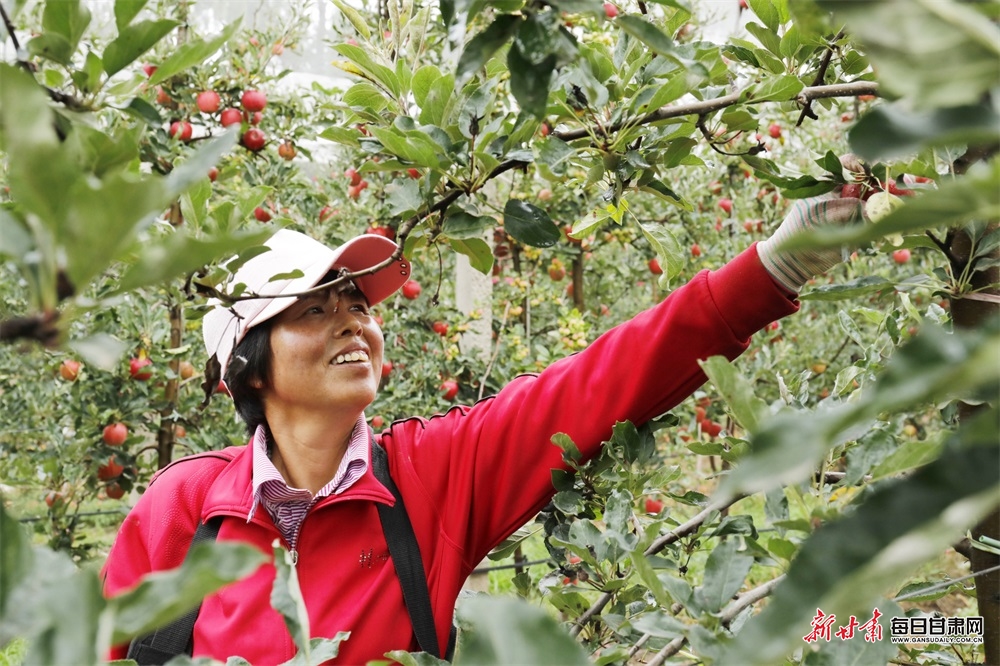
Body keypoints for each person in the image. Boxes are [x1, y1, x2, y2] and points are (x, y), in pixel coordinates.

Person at [101, 190, 864, 664]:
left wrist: (778, 265)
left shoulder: (429, 475)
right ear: (251, 366)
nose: (354, 325)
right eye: (315, 309)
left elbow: (599, 383)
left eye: (358, 305)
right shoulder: (188, 504)